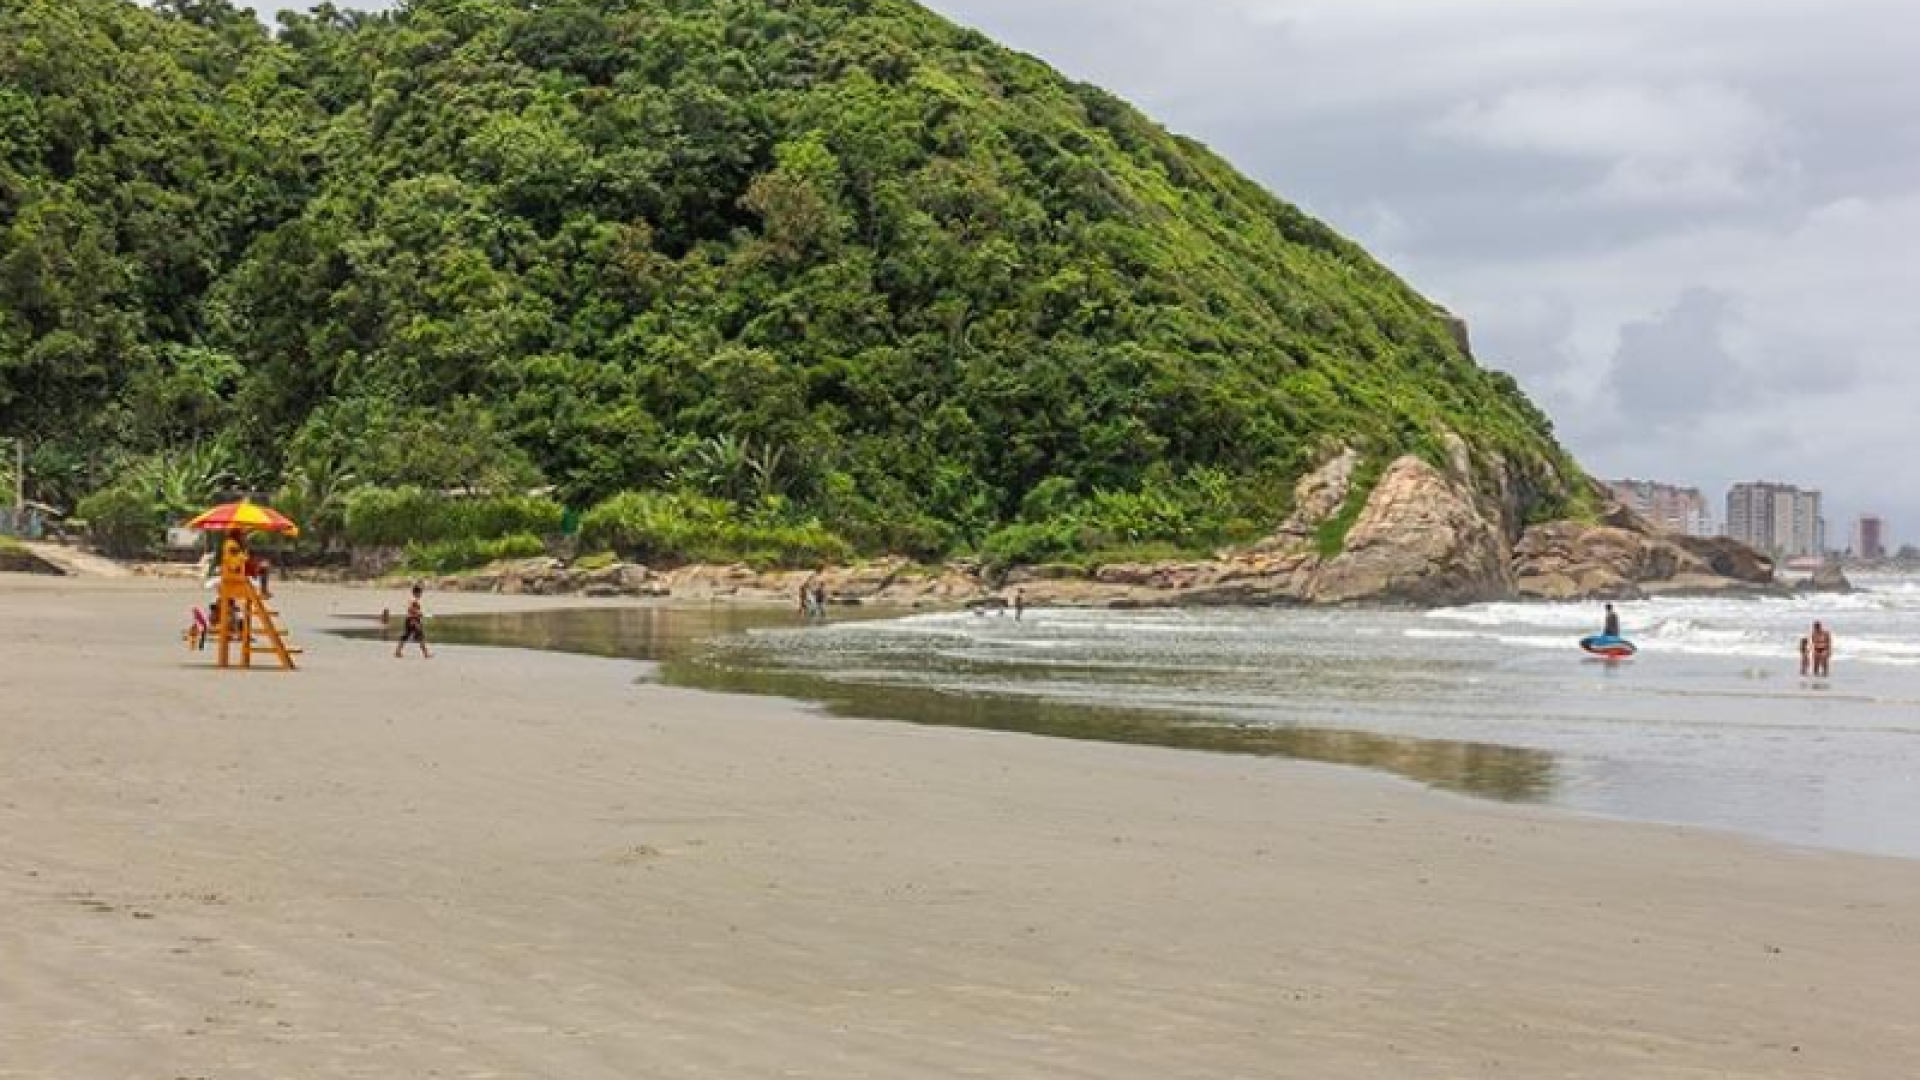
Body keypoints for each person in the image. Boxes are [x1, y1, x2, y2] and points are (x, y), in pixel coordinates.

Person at [394, 584, 431, 659]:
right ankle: (426, 654)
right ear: (416, 592)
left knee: (406, 636)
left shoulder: (412, 600)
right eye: (420, 592)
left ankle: (397, 652)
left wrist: (418, 614)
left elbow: (411, 609)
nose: (421, 594)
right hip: (413, 620)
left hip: (410, 619)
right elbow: (411, 609)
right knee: (420, 636)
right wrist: (419, 614)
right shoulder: (414, 600)